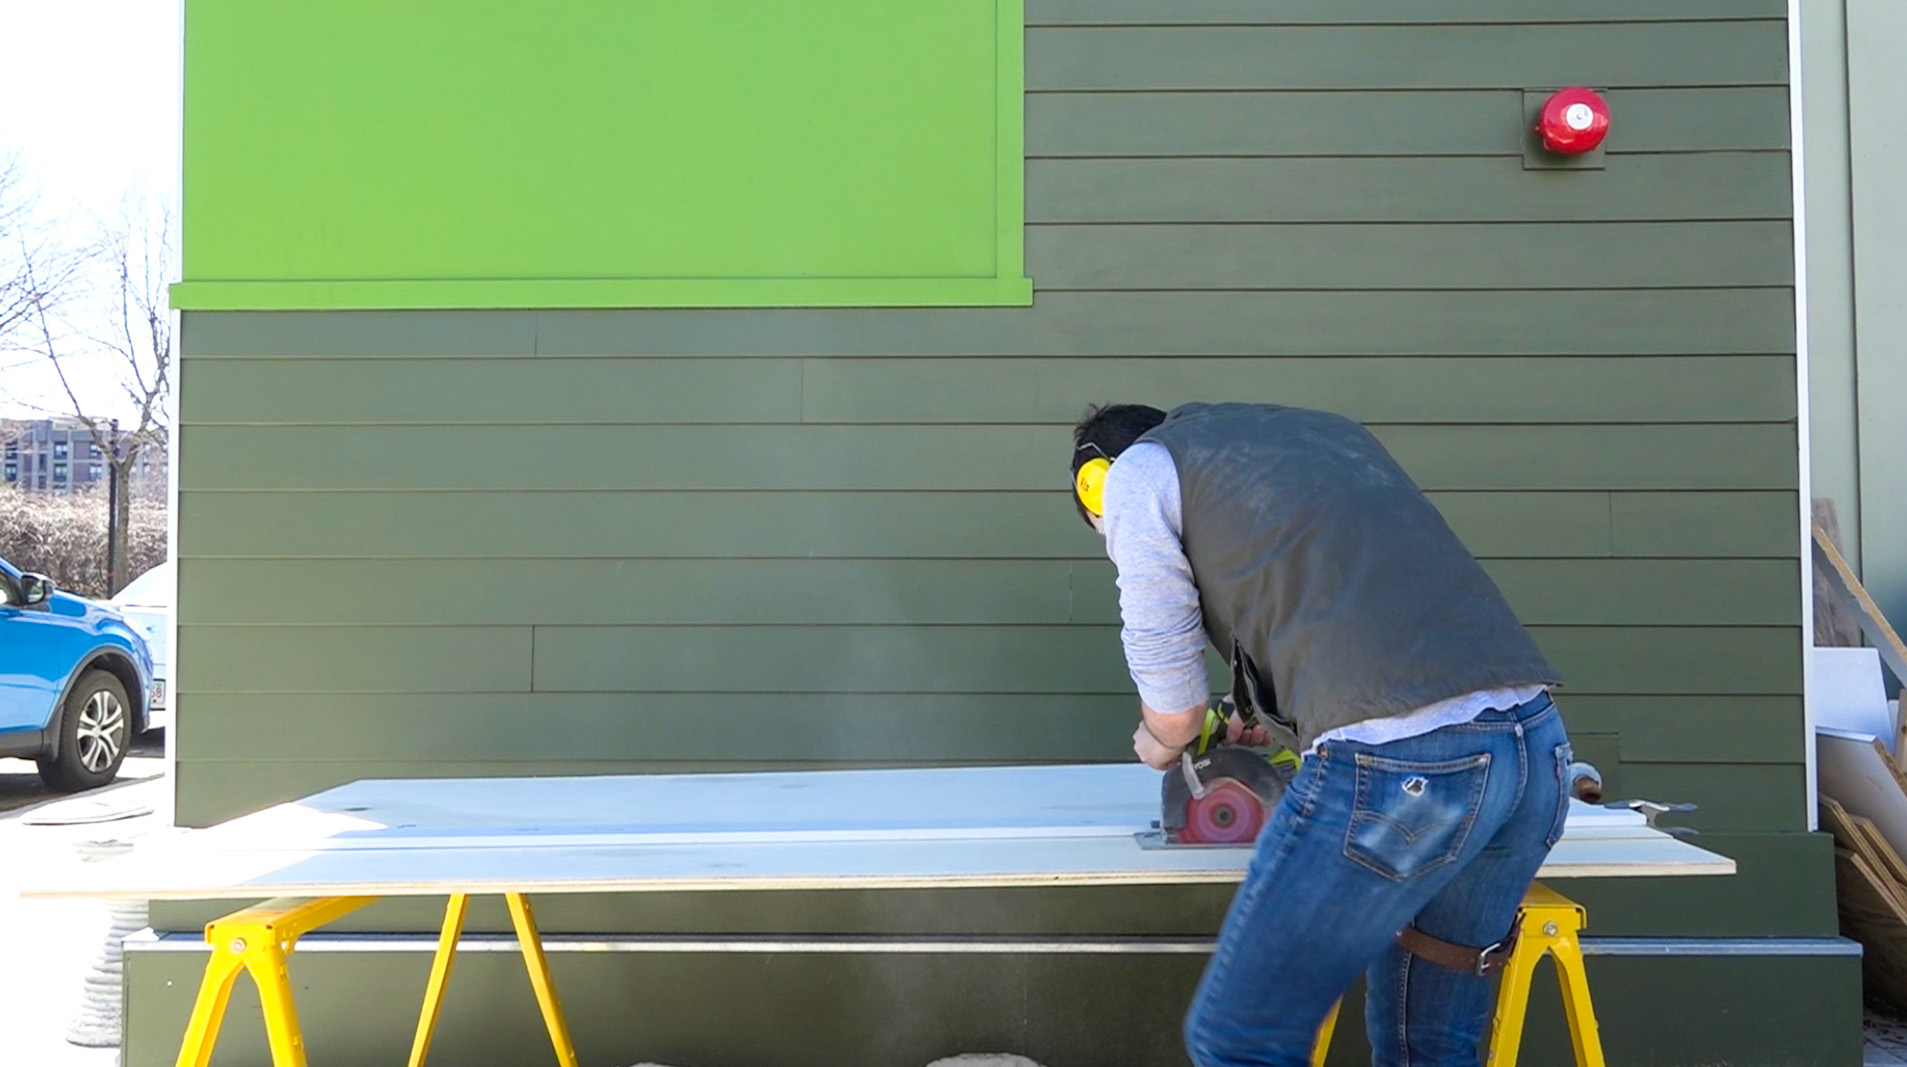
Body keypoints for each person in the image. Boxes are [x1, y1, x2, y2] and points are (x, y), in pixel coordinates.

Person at [1070, 401, 1570, 1067]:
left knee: (1238, 1039)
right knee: (1426, 1045)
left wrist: (1160, 743)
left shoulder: (1134, 476)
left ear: (1095, 483)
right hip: (1532, 750)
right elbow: (1362, 619)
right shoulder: (1322, 436)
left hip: (1407, 774)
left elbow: (1175, 714)